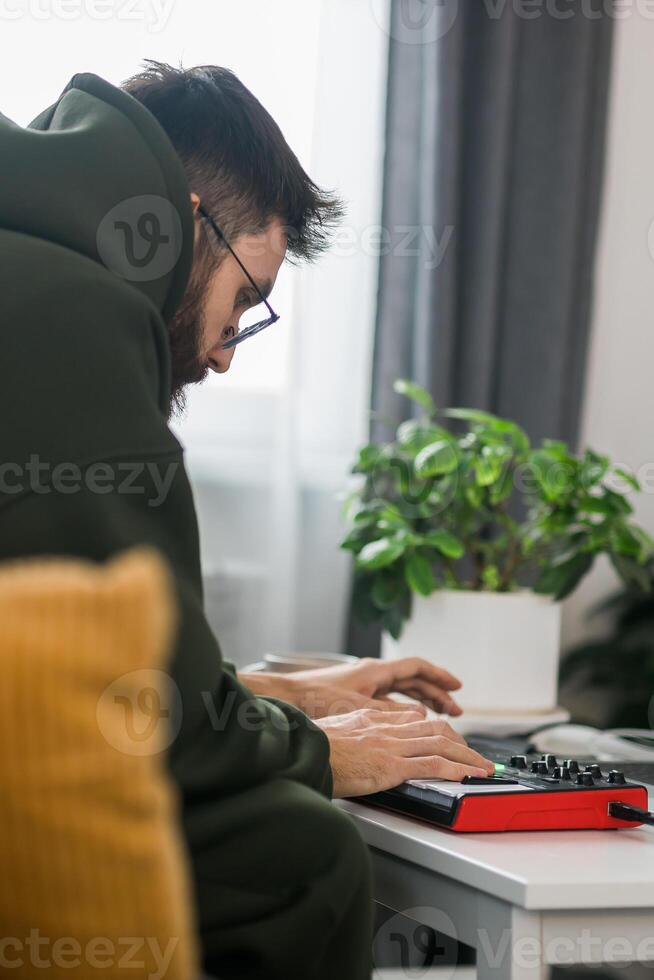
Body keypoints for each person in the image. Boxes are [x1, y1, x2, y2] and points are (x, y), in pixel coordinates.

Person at [0, 63, 493, 979]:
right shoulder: (75, 310)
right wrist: (314, 753)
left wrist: (276, 695)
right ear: (187, 224)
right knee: (298, 852)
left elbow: (59, 652)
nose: (225, 356)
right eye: (243, 304)